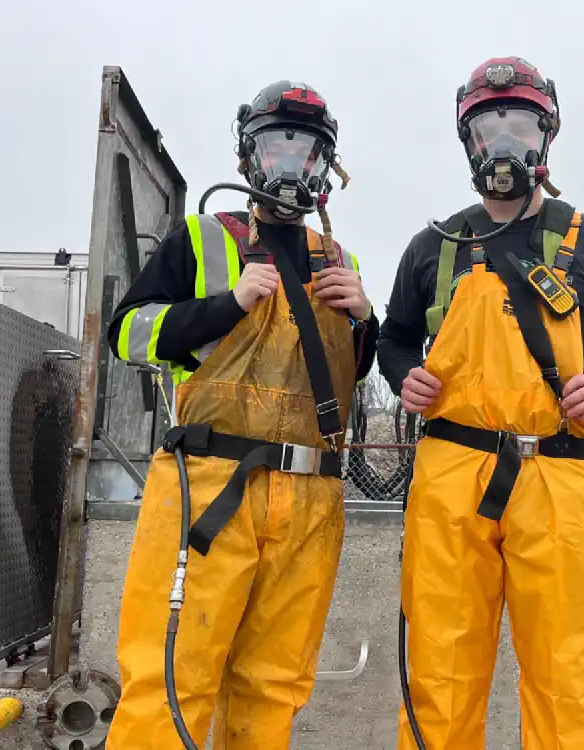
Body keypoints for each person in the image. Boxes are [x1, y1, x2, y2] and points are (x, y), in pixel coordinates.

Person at [377, 56, 584, 750]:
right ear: (469, 141)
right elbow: (393, 339)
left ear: (547, 135)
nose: (503, 141)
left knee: (568, 675)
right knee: (440, 673)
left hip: (563, 477)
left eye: (519, 123)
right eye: (488, 125)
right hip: (452, 474)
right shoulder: (433, 245)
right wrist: (404, 376)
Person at [103, 80, 379, 749]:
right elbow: (127, 333)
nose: (291, 162)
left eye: (306, 149)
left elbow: (346, 377)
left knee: (274, 683)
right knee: (173, 676)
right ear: (247, 156)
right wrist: (229, 303)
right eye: (276, 143)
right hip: (207, 487)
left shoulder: (339, 262)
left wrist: (366, 320)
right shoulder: (199, 240)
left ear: (324, 166)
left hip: (310, 498)